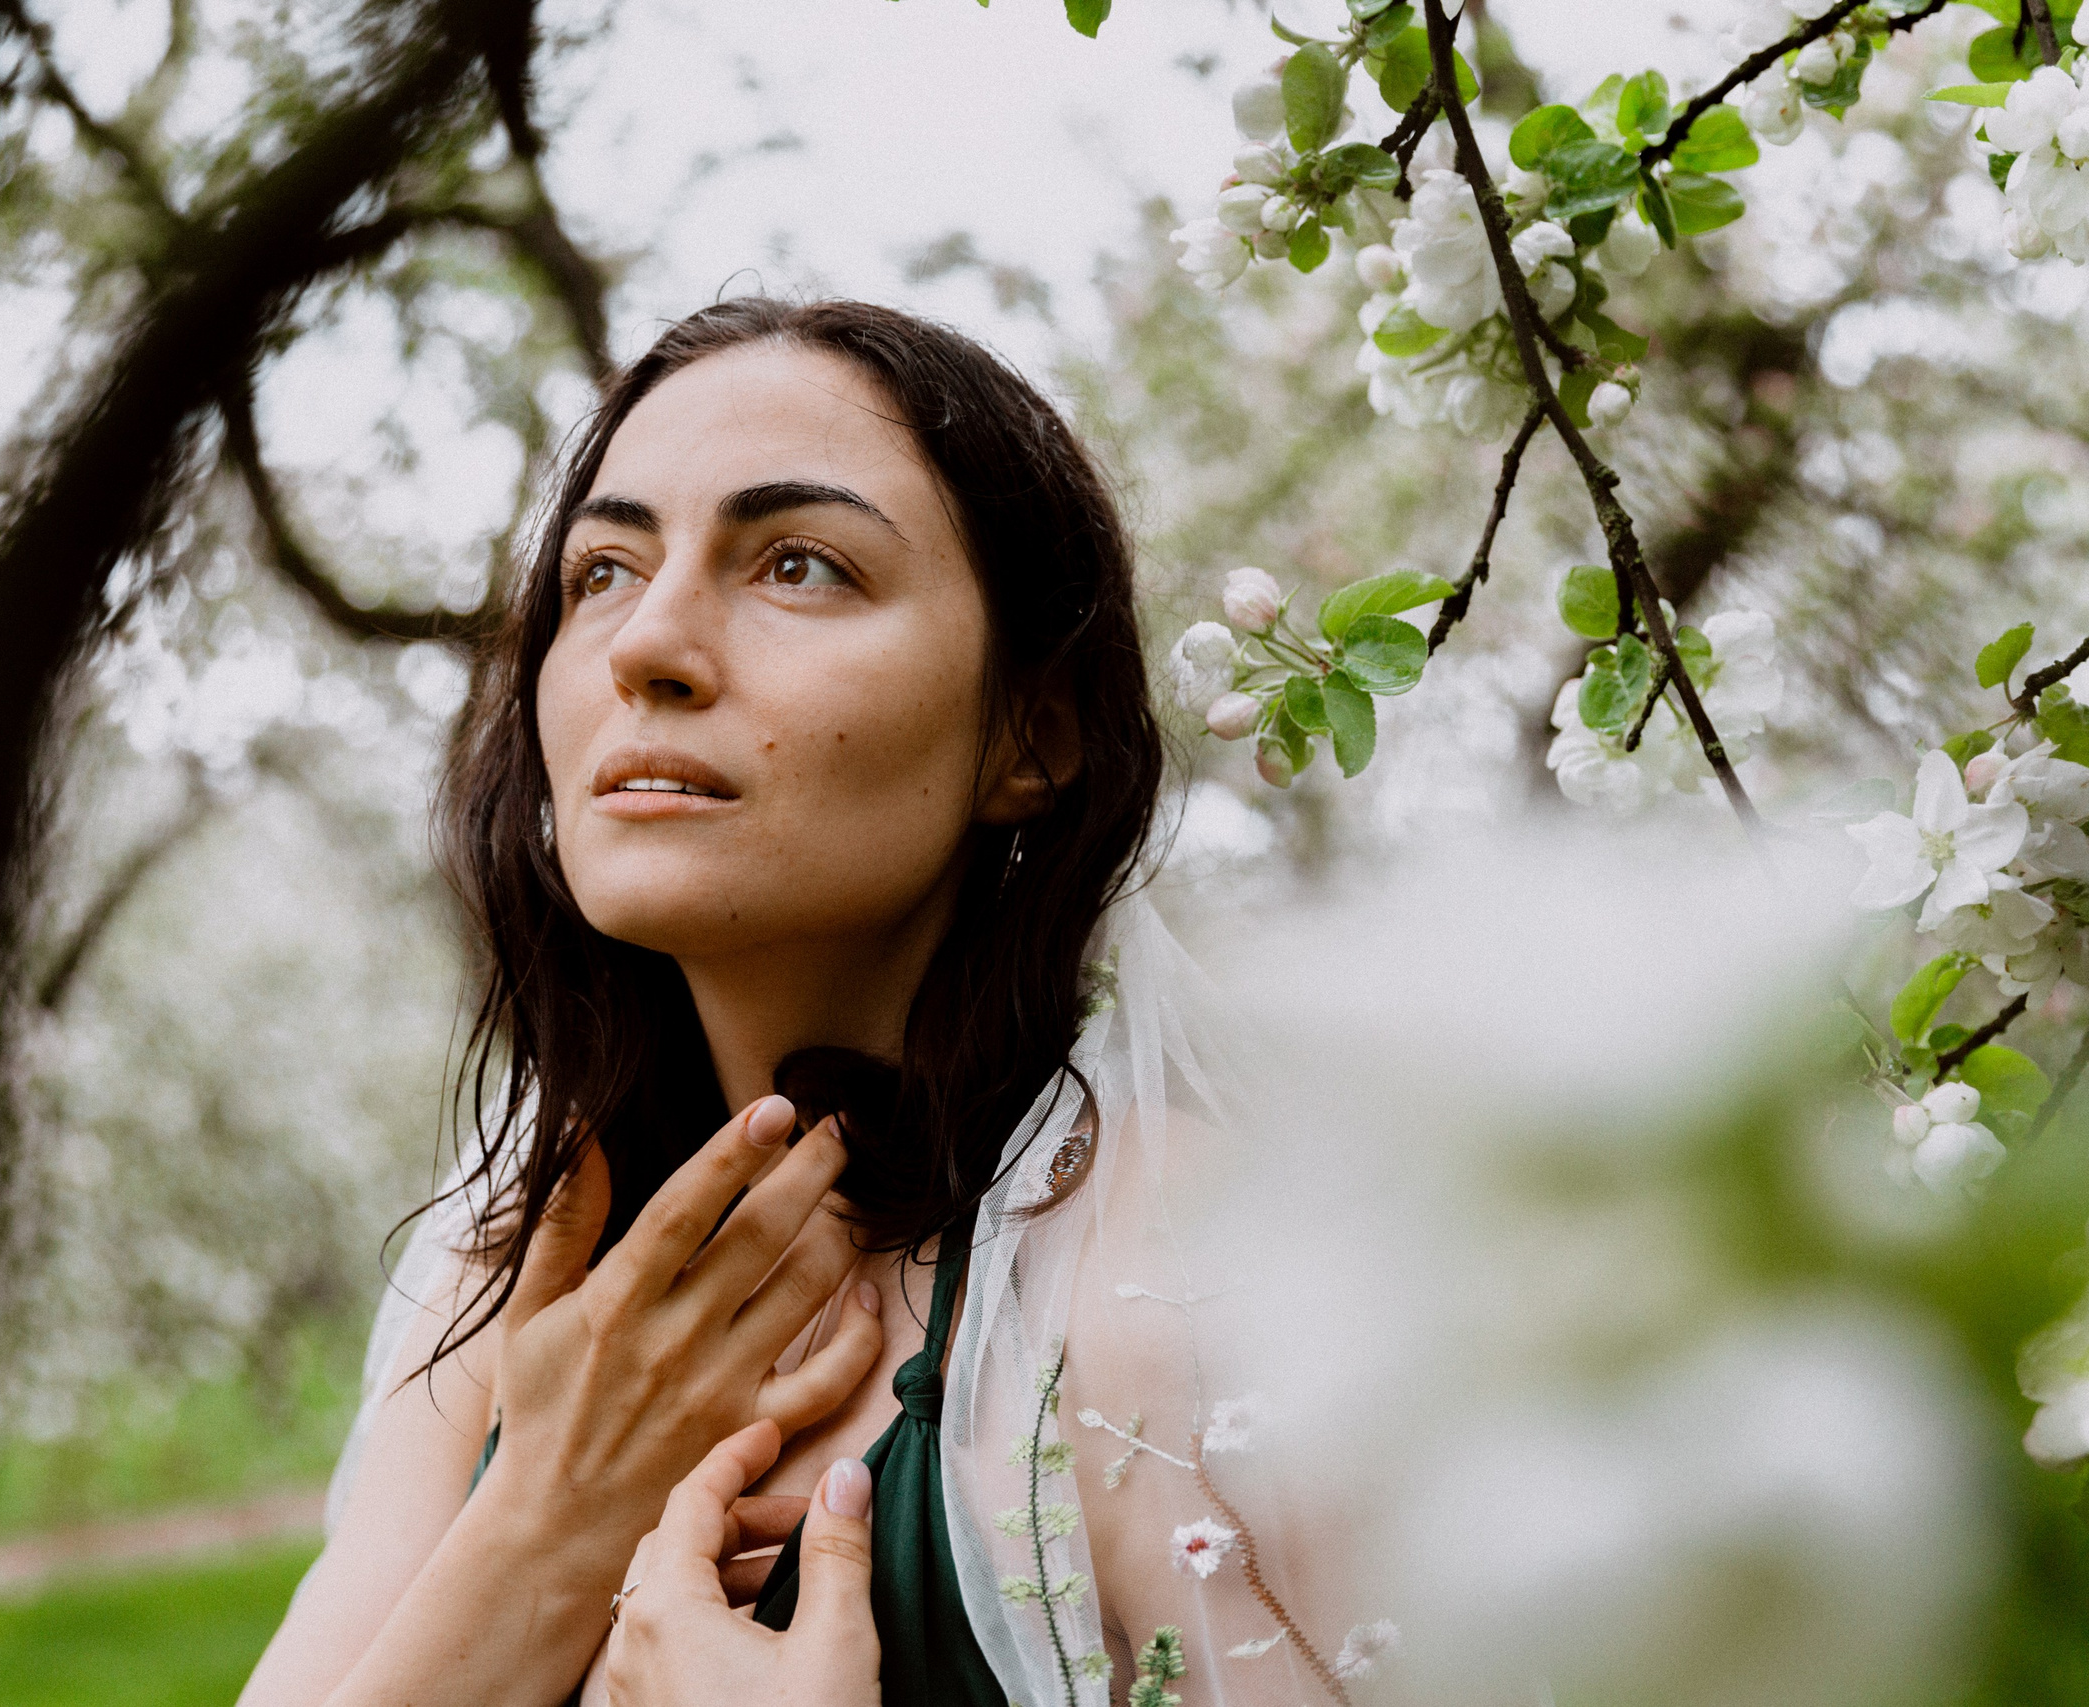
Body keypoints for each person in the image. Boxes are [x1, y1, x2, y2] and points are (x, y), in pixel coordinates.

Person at [241, 299, 1362, 1707]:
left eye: (800, 565)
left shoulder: (1178, 1290)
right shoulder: (511, 1262)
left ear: (1033, 732)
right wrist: (546, 1532)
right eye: (601, 570)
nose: (647, 644)